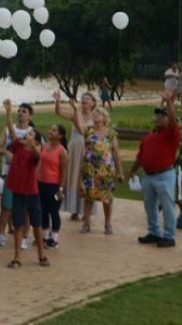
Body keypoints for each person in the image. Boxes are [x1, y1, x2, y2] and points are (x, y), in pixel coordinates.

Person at [128, 90, 181, 248]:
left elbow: (172, 122)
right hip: (149, 176)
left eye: (163, 115)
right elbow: (140, 157)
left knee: (167, 206)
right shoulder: (148, 137)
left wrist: (169, 102)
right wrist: (132, 171)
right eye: (157, 114)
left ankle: (169, 236)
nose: (159, 117)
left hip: (164, 174)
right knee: (149, 206)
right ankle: (154, 232)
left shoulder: (171, 133)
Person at [2, 99, 49, 268]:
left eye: (30, 135)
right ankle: (17, 257)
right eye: (26, 135)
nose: (25, 136)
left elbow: (39, 155)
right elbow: (11, 130)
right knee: (18, 224)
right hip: (18, 192)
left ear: (36, 141)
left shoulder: (35, 154)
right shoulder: (17, 147)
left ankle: (41, 256)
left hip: (31, 193)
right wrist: (8, 112)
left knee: (36, 224)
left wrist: (34, 146)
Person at [0, 102, 35, 249]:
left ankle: (24, 237)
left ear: (30, 115)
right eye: (19, 111)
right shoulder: (9, 130)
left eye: (24, 111)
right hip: (8, 173)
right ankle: (0, 236)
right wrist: (6, 152)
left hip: (25, 175)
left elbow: (37, 154)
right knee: (6, 207)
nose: (21, 113)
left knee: (26, 209)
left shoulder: (32, 132)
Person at [78, 108, 123, 234]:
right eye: (94, 114)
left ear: (105, 117)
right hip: (90, 170)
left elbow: (115, 152)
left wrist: (120, 172)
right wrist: (76, 110)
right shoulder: (88, 131)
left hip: (106, 171)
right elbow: (78, 125)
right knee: (88, 197)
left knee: (107, 198)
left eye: (99, 114)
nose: (96, 116)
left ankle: (108, 224)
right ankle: (86, 224)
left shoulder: (111, 133)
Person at [53, 91, 94, 221]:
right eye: (82, 98)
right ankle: (74, 210)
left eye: (87, 98)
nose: (84, 100)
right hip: (74, 148)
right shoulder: (76, 113)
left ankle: (85, 210)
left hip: (88, 148)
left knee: (85, 176)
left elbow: (84, 131)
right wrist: (58, 100)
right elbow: (58, 112)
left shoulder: (96, 117)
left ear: (93, 103)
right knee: (74, 176)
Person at [39, 125, 69, 248]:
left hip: (55, 186)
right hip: (42, 184)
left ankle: (54, 239)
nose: (50, 131)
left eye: (54, 130)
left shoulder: (62, 151)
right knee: (43, 211)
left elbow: (64, 171)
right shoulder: (44, 146)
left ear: (60, 135)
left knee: (54, 211)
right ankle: (45, 236)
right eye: (50, 129)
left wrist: (61, 189)